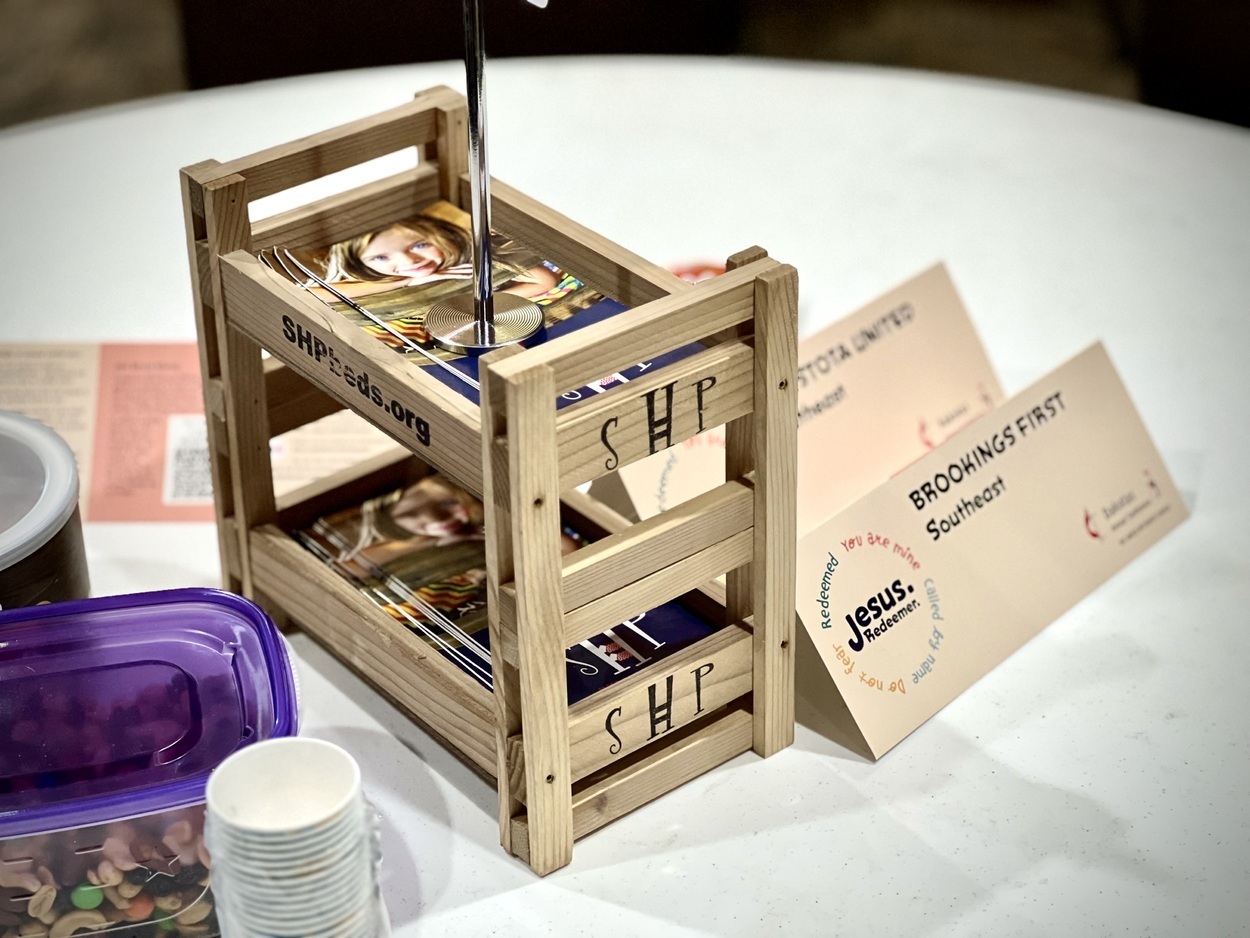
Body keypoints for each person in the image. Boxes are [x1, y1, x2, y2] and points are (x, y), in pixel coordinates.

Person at [310, 214, 560, 301]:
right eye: (381, 257)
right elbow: (315, 293)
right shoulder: (373, 275)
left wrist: (474, 307)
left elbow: (545, 281)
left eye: (420, 245)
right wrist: (409, 281)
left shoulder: (473, 251)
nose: (408, 262)